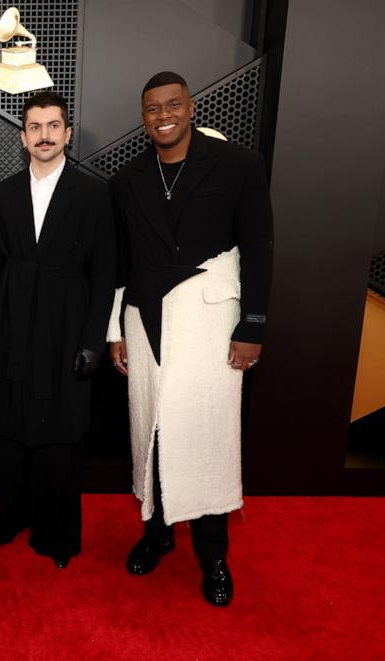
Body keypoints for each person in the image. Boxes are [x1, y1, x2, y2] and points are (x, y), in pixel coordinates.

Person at [107, 71, 274, 606]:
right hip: (147, 318)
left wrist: (254, 325)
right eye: (152, 108)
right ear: (143, 118)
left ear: (191, 106)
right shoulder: (127, 178)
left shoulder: (238, 166)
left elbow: (260, 249)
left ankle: (213, 555)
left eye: (172, 104)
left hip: (210, 321)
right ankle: (156, 534)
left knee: (205, 435)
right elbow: (119, 262)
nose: (163, 115)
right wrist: (115, 329)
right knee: (150, 430)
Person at [0, 91, 116, 569]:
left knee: (60, 434)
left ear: (68, 133)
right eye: (35, 127)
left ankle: (56, 535)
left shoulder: (95, 194)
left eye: (53, 126)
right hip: (13, 324)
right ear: (23, 136)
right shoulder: (4, 194)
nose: (45, 135)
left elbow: (104, 275)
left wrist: (94, 340)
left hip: (67, 328)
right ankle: (5, 521)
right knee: (8, 429)